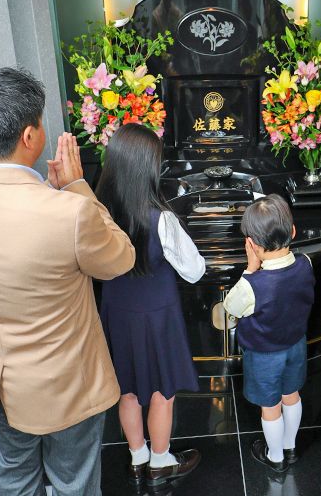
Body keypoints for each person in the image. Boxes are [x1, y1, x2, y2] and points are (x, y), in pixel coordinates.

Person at [0, 67, 135, 495]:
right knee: (73, 481)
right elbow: (120, 259)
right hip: (66, 386)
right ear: (29, 136)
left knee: (15, 475)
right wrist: (77, 186)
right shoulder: (67, 213)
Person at [95, 124, 205, 490]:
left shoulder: (97, 213)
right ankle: (160, 461)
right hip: (158, 318)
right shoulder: (162, 219)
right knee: (162, 391)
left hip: (116, 314)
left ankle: (137, 457)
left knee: (127, 389)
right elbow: (194, 270)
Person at [223, 194, 315, 473]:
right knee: (292, 395)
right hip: (296, 345)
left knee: (271, 406)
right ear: (293, 231)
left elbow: (231, 307)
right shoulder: (306, 263)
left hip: (264, 356)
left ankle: (275, 457)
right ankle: (290, 447)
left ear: (252, 245)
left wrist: (250, 269)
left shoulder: (253, 285)